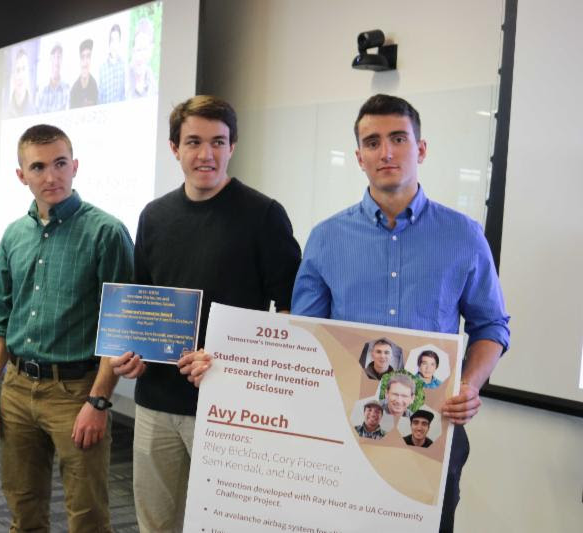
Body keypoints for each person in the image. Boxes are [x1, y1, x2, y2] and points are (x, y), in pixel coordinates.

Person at [291, 93, 509, 531]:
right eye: (372, 143)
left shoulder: (464, 236)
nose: (386, 152)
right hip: (346, 429)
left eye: (398, 139)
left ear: (421, 149)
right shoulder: (326, 238)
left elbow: (491, 325)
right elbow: (306, 335)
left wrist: (469, 384)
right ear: (359, 157)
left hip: (433, 428)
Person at [110, 95, 301, 533]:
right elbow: (142, 302)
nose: (206, 154)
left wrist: (236, 361)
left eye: (218, 142)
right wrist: (131, 352)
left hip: (228, 407)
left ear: (232, 146)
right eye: (193, 142)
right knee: (155, 524)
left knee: (224, 525)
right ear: (174, 148)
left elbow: (292, 312)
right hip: (155, 403)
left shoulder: (264, 216)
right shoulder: (154, 216)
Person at [0, 124, 133, 533]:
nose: (51, 176)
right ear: (21, 175)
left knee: (87, 516)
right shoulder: (14, 235)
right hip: (16, 389)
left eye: (60, 164)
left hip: (76, 392)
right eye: (38, 167)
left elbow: (119, 326)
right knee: (23, 510)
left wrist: (99, 402)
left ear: (75, 166)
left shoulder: (106, 232)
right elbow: (0, 319)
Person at [127, 17, 157, 99]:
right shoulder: (124, 79)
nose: (140, 55)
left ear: (151, 50)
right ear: (133, 50)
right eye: (138, 49)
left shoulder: (152, 82)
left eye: (144, 49)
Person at [36, 42, 70, 113]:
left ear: (62, 60)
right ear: (50, 59)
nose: (56, 61)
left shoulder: (67, 90)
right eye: (54, 57)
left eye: (59, 57)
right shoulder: (41, 91)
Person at [98, 24, 126, 104]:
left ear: (120, 42)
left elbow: (124, 95)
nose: (114, 44)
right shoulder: (102, 68)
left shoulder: (123, 66)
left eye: (117, 40)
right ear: (109, 43)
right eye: (112, 40)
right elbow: (100, 97)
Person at [69, 39, 98, 108]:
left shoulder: (94, 85)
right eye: (82, 57)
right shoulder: (74, 89)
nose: (85, 61)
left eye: (88, 56)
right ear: (79, 61)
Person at [7, 48, 35, 118]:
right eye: (17, 70)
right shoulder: (5, 111)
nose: (20, 76)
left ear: (28, 73)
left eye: (23, 69)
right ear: (13, 75)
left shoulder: (35, 111)